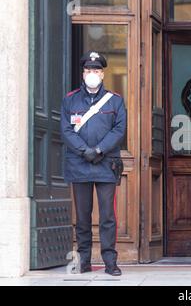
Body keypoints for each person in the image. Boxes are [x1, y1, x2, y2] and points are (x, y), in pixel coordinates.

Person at [61, 51, 127, 276]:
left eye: (96, 70)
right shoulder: (70, 100)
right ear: (83, 73)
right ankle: (84, 261)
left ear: (102, 73)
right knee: (82, 217)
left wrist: (99, 149)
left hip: (106, 163)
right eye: (88, 70)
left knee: (108, 216)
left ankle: (110, 262)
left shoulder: (115, 100)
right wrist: (84, 151)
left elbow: (119, 129)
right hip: (79, 164)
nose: (92, 74)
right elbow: (66, 130)